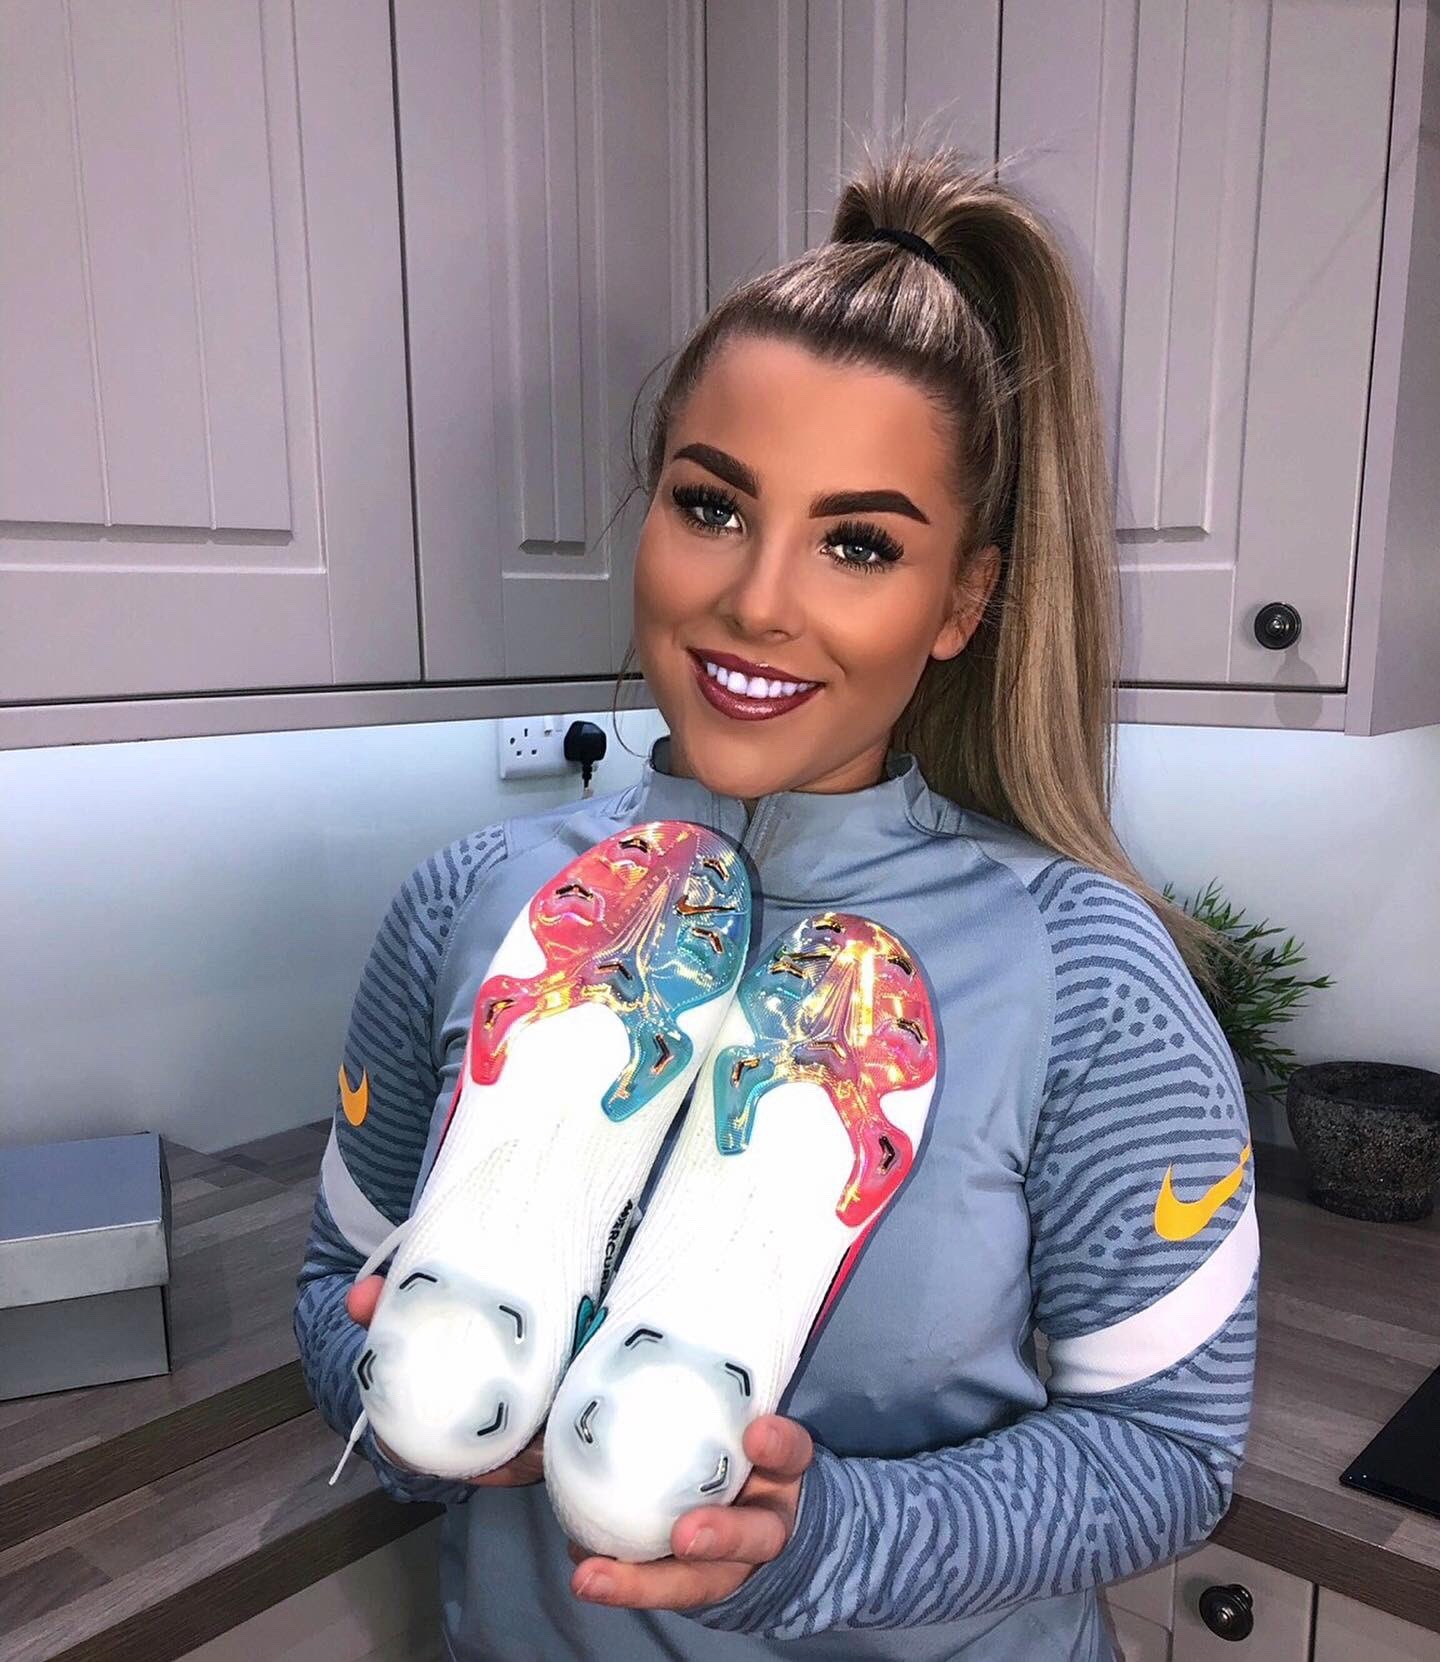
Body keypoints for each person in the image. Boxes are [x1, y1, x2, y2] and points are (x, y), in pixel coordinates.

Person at [293, 141, 1258, 1661]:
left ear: (961, 601)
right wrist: (408, 1400)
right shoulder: (471, 905)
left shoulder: (1082, 969)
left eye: (858, 543)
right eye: (713, 506)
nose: (757, 601)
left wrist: (823, 1543)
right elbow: (326, 1285)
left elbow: (1168, 1452)